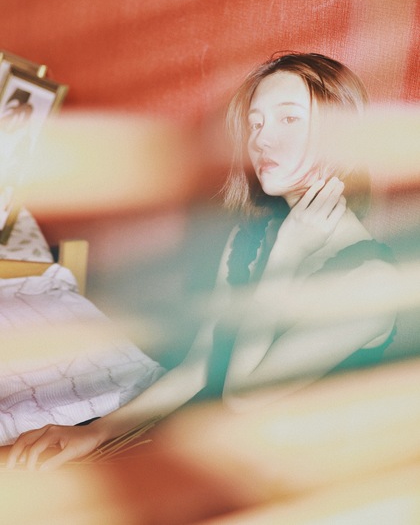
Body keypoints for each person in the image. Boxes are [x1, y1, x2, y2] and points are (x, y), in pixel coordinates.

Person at [6, 52, 397, 470]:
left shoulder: (371, 280)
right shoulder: (249, 240)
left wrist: (288, 254)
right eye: (255, 123)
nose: (261, 140)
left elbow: (244, 398)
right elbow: (201, 364)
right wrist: (96, 431)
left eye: (289, 118)